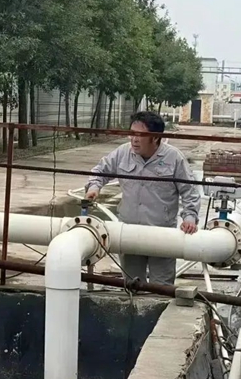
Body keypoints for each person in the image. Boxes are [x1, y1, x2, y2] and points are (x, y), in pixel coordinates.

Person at [85, 111, 201, 286]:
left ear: (155, 137)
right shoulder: (123, 153)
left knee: (161, 288)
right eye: (132, 133)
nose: (134, 139)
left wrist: (190, 217)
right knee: (132, 285)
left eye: (140, 135)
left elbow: (189, 190)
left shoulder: (174, 158)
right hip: (128, 234)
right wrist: (94, 187)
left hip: (162, 236)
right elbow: (100, 170)